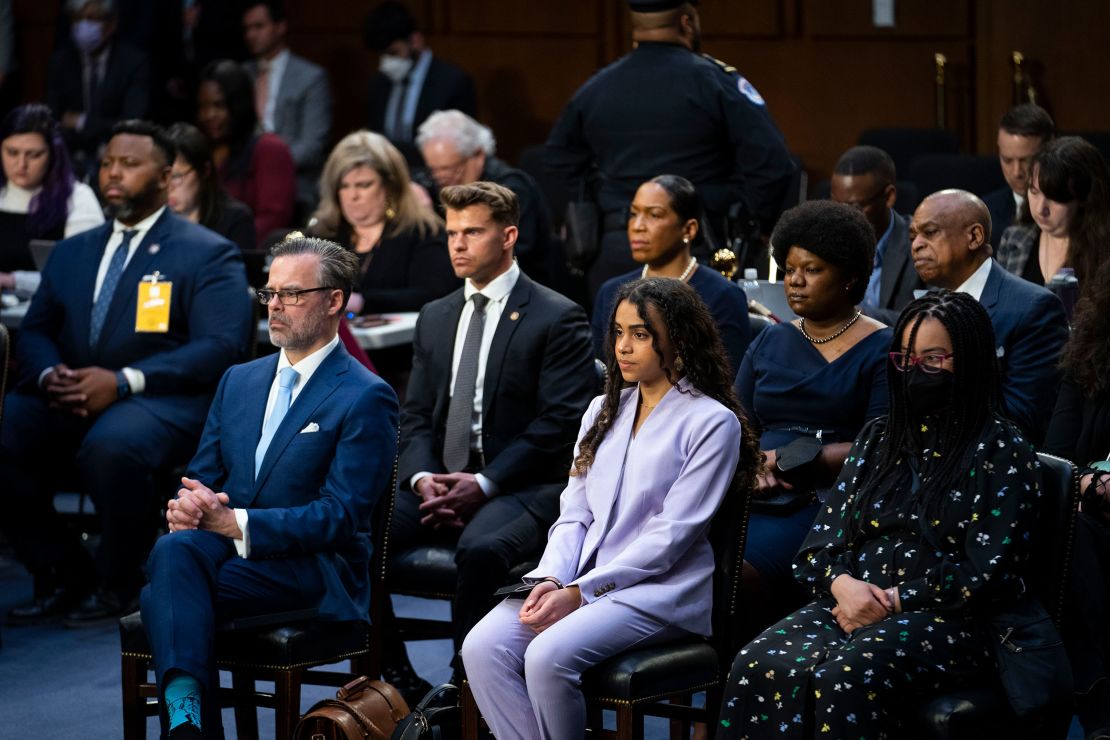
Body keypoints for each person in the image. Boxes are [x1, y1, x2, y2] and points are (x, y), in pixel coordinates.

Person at [718, 290, 1042, 739]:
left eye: (933, 359)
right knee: (756, 664)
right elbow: (818, 546)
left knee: (846, 675)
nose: (915, 372)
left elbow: (990, 575)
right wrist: (842, 586)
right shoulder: (879, 438)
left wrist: (893, 600)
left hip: (952, 619)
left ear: (968, 362)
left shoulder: (1003, 450)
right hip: (850, 601)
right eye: (905, 358)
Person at [462, 277, 759, 739]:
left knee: (545, 655)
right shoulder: (603, 408)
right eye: (618, 332)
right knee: (481, 647)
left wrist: (580, 592)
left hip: (659, 593)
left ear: (677, 340)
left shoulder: (712, 422)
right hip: (578, 579)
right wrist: (551, 579)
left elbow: (670, 536)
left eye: (641, 334)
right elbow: (574, 514)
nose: (623, 347)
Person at [140, 236, 399, 739]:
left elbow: (342, 515)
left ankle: (187, 723)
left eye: (292, 294)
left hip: (315, 569)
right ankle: (188, 728)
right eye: (269, 294)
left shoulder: (366, 395)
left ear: (334, 301)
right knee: (175, 551)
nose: (275, 306)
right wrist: (190, 505)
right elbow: (203, 477)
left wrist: (232, 522)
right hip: (229, 559)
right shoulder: (238, 379)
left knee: (163, 591)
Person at [0, 120, 252, 625]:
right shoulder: (73, 251)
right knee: (4, 427)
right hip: (71, 391)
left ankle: (120, 581)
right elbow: (34, 330)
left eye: (130, 164)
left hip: (163, 398)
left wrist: (123, 380)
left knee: (112, 446)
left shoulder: (205, 251)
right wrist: (51, 374)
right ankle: (62, 568)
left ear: (163, 177)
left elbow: (220, 346)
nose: (114, 173)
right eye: (109, 163)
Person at [388, 182, 595, 691]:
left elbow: (558, 425)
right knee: (357, 527)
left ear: (508, 236)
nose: (457, 244)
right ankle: (394, 672)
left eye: (472, 232)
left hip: (523, 484)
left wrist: (482, 483)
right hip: (439, 479)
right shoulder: (436, 317)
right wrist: (420, 479)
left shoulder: (556, 315)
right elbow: (414, 415)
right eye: (452, 233)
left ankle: (465, 688)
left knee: (480, 551)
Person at [545, 0, 795, 300]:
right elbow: (773, 164)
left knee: (617, 345)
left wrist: (603, 206)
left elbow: (557, 161)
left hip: (617, 248)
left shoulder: (597, 87)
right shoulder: (716, 81)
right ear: (687, 21)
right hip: (698, 247)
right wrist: (753, 221)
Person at [735, 200, 891, 622]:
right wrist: (750, 464)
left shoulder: (883, 347)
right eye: (789, 270)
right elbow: (735, 424)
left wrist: (786, 462)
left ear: (850, 276)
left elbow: (880, 444)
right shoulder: (769, 341)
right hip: (754, 491)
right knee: (685, 561)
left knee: (732, 577)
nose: (795, 282)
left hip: (829, 500)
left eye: (812, 269)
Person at [910, 189, 1068, 443]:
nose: (916, 245)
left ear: (974, 236)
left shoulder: (1033, 308)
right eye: (912, 236)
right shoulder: (922, 308)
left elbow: (1023, 418)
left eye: (929, 232)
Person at [592, 175, 751, 372]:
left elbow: (729, 381)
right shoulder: (610, 292)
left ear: (689, 229)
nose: (637, 226)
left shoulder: (722, 295)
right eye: (634, 214)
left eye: (654, 215)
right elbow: (602, 374)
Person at [1046, 259, 1110, 738]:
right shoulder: (1088, 356)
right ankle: (1093, 697)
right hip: (1092, 511)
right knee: (1072, 530)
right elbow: (1056, 459)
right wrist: (1096, 484)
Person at [308, 129, 457, 313]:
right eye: (344, 186)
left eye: (364, 185)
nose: (352, 196)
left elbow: (434, 295)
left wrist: (363, 303)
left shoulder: (422, 231)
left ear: (389, 186)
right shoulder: (322, 234)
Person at [416, 109, 556, 285]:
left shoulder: (511, 189)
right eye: (433, 170)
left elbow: (511, 257)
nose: (440, 178)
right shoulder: (433, 185)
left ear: (477, 155)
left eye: (448, 169)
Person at [0, 103, 103, 296]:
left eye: (34, 155)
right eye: (12, 152)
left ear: (53, 154)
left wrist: (14, 281)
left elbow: (82, 274)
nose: (21, 164)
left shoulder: (78, 198)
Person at [242, 0, 332, 215]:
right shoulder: (242, 74)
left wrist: (270, 166)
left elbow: (313, 144)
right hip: (245, 178)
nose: (250, 35)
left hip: (293, 179)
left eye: (258, 26)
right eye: (247, 29)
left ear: (280, 27)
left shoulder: (311, 77)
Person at [363, 1, 476, 165]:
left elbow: (460, 147)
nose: (386, 63)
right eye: (381, 55)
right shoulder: (379, 83)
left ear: (415, 41)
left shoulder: (453, 83)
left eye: (393, 53)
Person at [45, 0, 152, 173]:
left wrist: (81, 122)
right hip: (71, 158)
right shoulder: (60, 63)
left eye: (92, 18)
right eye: (77, 19)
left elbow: (132, 123)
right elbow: (54, 121)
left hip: (120, 156)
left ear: (111, 24)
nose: (83, 26)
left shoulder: (134, 63)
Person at [197, 59, 296, 241]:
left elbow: (273, 219)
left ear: (239, 105)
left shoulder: (270, 149)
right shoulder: (201, 149)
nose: (208, 115)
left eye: (219, 105)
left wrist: (222, 247)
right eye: (203, 107)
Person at [996, 136, 1110, 290]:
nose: (1040, 209)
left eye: (1054, 197)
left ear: (1084, 198)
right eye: (1034, 192)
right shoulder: (1014, 240)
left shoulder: (1103, 254)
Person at [830, 145, 921, 326]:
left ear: (889, 197)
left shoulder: (920, 243)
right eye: (836, 204)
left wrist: (861, 317)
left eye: (855, 207)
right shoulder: (825, 243)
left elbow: (931, 316)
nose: (842, 216)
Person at [165, 122, 255, 255]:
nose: (169, 187)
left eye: (177, 176)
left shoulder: (236, 220)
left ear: (205, 171)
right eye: (163, 176)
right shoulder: (152, 219)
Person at [982, 103, 1055, 235]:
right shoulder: (984, 213)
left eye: (1027, 160)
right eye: (1007, 160)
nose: (1016, 172)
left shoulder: (1069, 213)